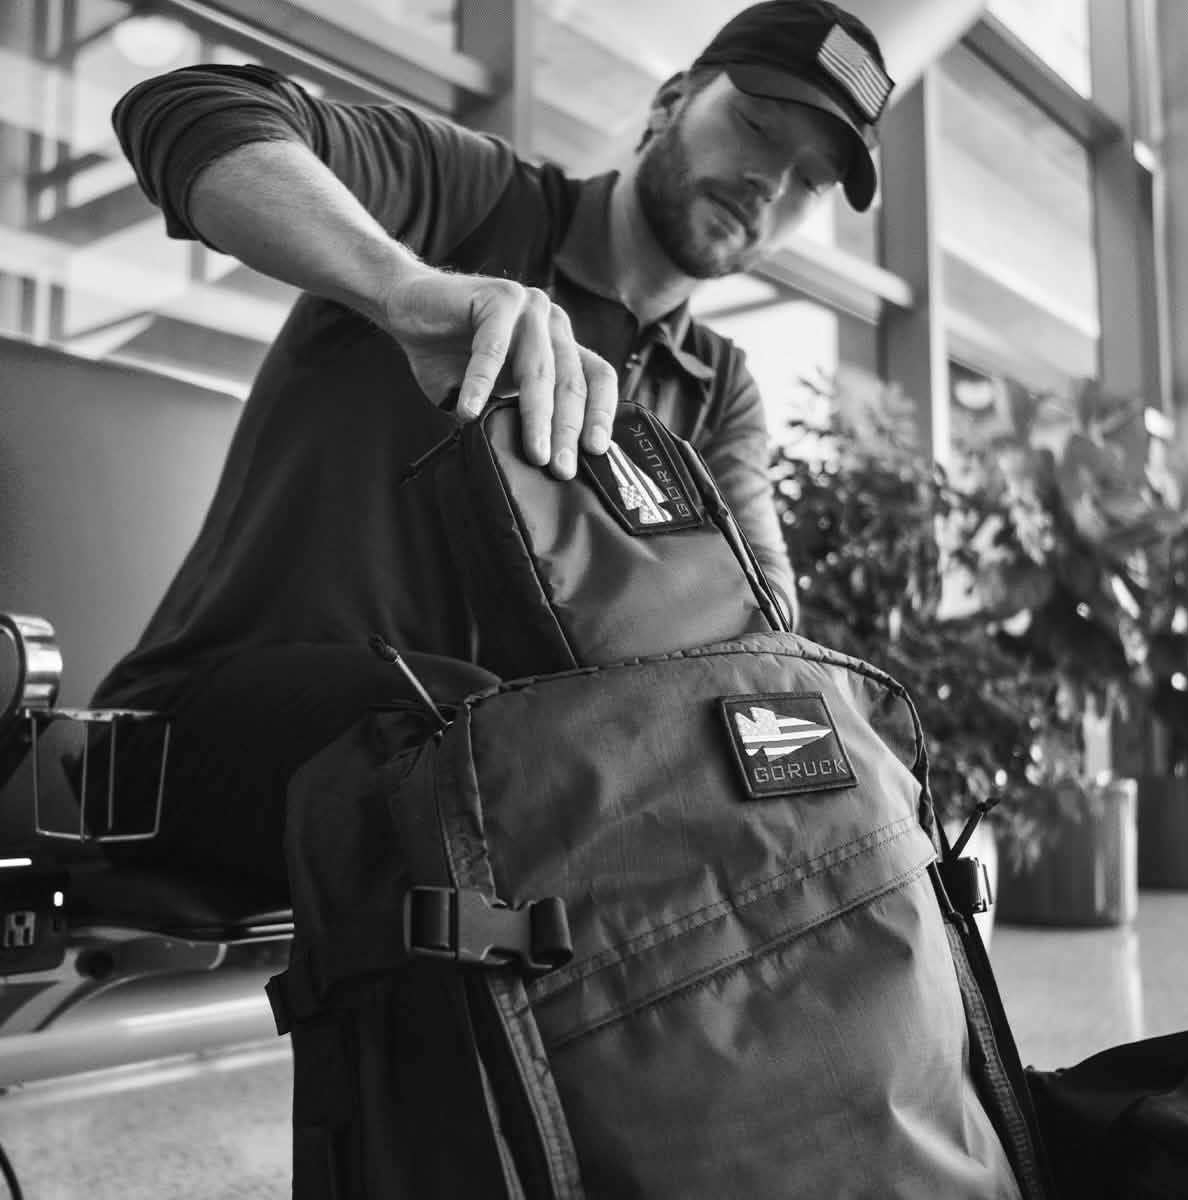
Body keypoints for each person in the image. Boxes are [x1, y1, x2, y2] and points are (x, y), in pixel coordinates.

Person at [93, 0, 893, 883]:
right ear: (671, 100)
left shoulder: (715, 384)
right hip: (201, 742)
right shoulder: (475, 202)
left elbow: (759, 633)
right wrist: (401, 289)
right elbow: (186, 109)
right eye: (753, 125)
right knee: (492, 743)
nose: (770, 182)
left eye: (809, 178)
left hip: (488, 793)